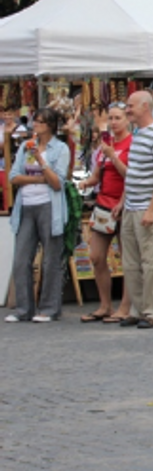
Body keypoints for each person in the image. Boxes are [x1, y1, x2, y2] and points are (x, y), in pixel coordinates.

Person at [115, 91, 153, 329]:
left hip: (148, 208)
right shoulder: (139, 134)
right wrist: (124, 203)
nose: (127, 110)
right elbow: (135, 174)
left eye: (130, 106)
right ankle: (139, 308)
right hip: (132, 206)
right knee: (131, 262)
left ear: (145, 107)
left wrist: (152, 209)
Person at [6, 109, 70, 323]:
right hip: (26, 205)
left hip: (49, 205)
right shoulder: (25, 147)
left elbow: (57, 182)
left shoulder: (60, 149)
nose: (36, 126)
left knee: (50, 259)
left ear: (50, 126)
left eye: (41, 123)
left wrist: (41, 161)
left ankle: (49, 308)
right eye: (35, 122)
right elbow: (13, 177)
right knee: (21, 258)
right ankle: (24, 308)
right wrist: (37, 179)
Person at [75, 102, 133, 322]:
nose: (114, 122)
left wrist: (114, 156)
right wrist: (82, 184)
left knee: (128, 257)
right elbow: (97, 176)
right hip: (104, 203)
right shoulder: (104, 147)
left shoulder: (132, 144)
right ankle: (105, 304)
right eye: (111, 118)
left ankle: (125, 307)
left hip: (125, 203)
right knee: (96, 256)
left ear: (127, 120)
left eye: (118, 118)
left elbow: (131, 175)